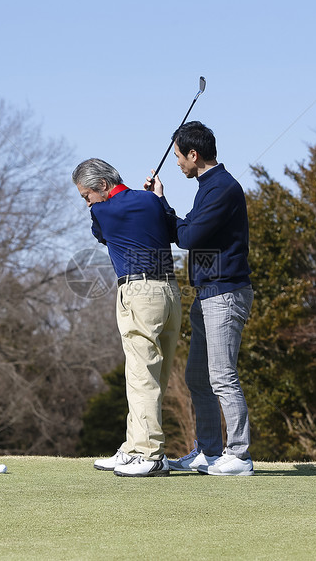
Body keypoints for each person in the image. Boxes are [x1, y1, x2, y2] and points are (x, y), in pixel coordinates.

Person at [145, 121, 255, 476]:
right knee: (197, 377)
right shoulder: (207, 187)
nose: (177, 163)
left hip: (225, 294)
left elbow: (189, 236)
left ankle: (239, 456)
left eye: (179, 157)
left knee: (222, 376)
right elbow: (184, 230)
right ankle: (209, 452)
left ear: (194, 155)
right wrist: (159, 203)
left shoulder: (222, 188)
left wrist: (163, 205)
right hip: (207, 295)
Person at [72, 158, 182, 477]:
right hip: (171, 294)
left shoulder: (101, 211)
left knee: (140, 375)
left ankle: (150, 454)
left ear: (102, 186)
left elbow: (102, 236)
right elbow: (172, 228)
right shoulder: (151, 200)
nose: (87, 203)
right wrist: (156, 197)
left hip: (138, 293)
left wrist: (135, 200)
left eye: (86, 196)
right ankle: (134, 446)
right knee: (153, 377)